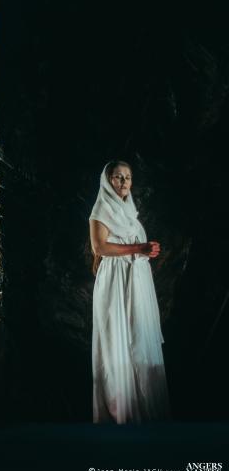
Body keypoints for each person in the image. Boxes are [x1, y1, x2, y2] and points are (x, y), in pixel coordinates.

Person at [89, 160, 170, 423]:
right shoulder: (101, 209)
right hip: (115, 280)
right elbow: (100, 247)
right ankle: (121, 410)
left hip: (135, 279)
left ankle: (143, 406)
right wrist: (138, 249)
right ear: (107, 180)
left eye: (128, 177)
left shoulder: (129, 212)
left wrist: (148, 250)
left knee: (138, 336)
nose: (124, 182)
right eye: (118, 177)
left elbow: (134, 244)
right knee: (117, 339)